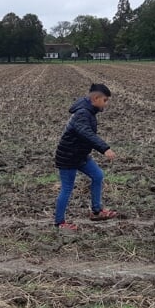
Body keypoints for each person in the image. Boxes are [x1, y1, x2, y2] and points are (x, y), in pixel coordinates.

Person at [53, 83, 118, 233]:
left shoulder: (89, 110)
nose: (106, 104)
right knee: (67, 188)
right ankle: (59, 223)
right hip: (68, 157)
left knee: (98, 175)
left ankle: (96, 211)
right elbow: (87, 134)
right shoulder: (82, 113)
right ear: (95, 98)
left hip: (80, 155)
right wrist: (105, 148)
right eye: (105, 100)